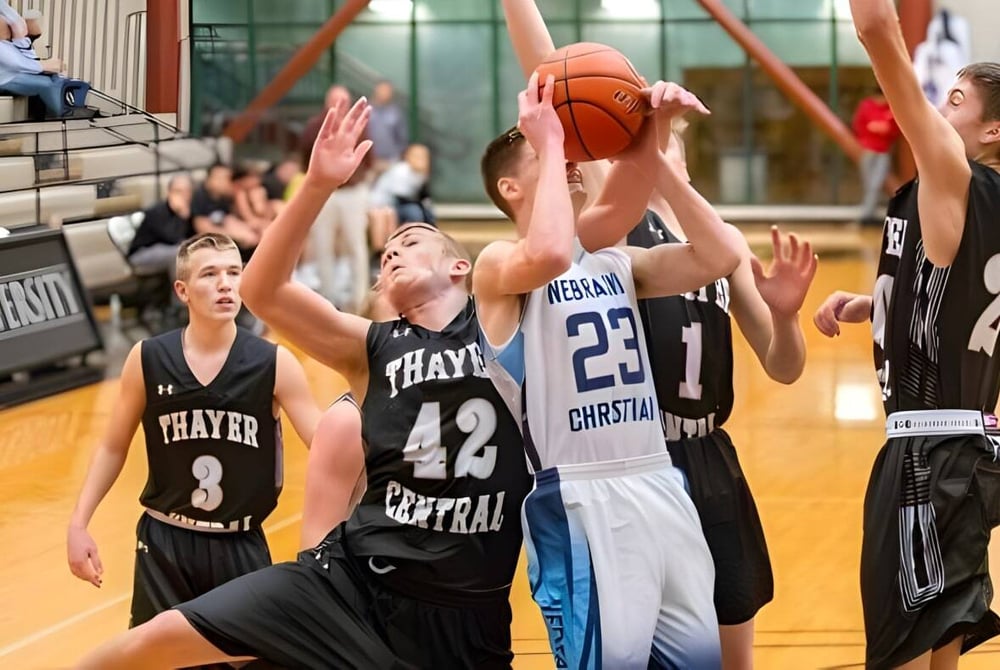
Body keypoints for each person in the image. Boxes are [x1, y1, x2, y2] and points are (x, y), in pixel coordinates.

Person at [74, 97, 532, 670]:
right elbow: (262, 290)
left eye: (411, 242)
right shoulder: (371, 347)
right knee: (157, 636)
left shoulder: (503, 327)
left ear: (460, 267)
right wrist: (316, 185)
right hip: (354, 581)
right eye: (387, 251)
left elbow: (560, 248)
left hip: (468, 606)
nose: (393, 250)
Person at [476, 69, 738, 668]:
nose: (569, 159)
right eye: (547, 154)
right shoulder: (498, 266)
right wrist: (549, 139)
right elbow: (548, 252)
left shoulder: (615, 262)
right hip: (579, 498)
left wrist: (653, 130)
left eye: (569, 150)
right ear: (510, 188)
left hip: (659, 480)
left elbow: (719, 255)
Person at [813, 1, 1000, 667]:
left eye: (957, 99)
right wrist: (879, 305)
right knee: (938, 649)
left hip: (926, 457)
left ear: (993, 130)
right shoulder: (987, 199)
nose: (940, 106)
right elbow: (971, 301)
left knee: (902, 655)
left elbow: (874, 29)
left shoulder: (952, 172)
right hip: (966, 452)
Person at [66, 232, 320, 634]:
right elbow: (113, 446)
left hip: (239, 542)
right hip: (164, 542)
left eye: (234, 272)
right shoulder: (147, 358)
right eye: (210, 274)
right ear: (182, 291)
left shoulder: (275, 362)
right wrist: (79, 523)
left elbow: (326, 448)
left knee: (248, 656)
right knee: (156, 657)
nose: (225, 284)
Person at [300, 84, 373, 311]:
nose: (340, 106)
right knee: (323, 243)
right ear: (327, 103)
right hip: (326, 193)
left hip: (353, 191)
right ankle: (328, 300)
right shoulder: (314, 126)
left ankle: (361, 299)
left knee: (356, 243)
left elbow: (369, 156)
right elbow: (305, 156)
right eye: (335, 101)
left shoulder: (358, 126)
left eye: (344, 101)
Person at [127, 174, 195, 280]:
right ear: (169, 192)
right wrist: (182, 216)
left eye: (187, 191)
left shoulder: (191, 209)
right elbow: (172, 238)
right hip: (143, 253)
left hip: (167, 250)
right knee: (179, 253)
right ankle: (181, 289)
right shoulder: (156, 211)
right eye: (178, 191)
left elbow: (192, 236)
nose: (183, 195)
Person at [852, 86, 901, 225]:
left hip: (883, 152)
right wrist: (867, 135)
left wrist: (885, 130)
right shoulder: (866, 106)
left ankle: (866, 215)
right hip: (868, 150)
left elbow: (895, 128)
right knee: (869, 184)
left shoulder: (890, 109)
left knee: (875, 184)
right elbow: (858, 124)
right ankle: (869, 213)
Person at [191, 164, 260, 260]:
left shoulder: (222, 197)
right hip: (205, 243)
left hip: (223, 238)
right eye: (224, 178)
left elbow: (228, 219)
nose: (227, 182)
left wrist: (246, 230)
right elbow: (202, 228)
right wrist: (234, 235)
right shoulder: (200, 196)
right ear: (212, 179)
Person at [368, 79, 409, 175]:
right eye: (382, 90)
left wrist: (398, 157)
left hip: (390, 161)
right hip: (368, 162)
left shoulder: (396, 113)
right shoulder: (366, 109)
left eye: (388, 91)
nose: (385, 93)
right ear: (376, 90)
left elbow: (402, 137)